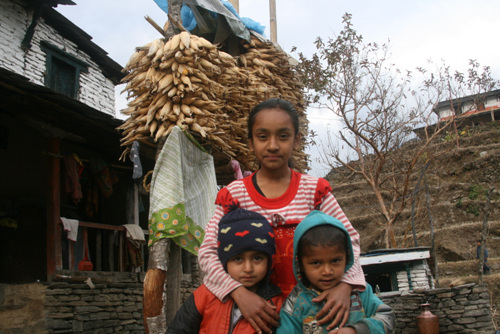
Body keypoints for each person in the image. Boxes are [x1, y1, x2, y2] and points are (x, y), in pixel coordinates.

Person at [198, 98, 366, 333]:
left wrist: (346, 285)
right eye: (263, 136)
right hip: (256, 318)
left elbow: (351, 240)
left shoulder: (314, 192)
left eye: (283, 136)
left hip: (309, 316)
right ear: (250, 141)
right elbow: (207, 252)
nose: (273, 145)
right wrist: (239, 294)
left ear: (296, 140)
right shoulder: (233, 196)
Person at [167, 206, 284, 333]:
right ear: (224, 261)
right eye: (238, 259)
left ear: (270, 260)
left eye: (257, 258)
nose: (248, 268)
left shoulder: (276, 304)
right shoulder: (205, 295)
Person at [278, 210, 396, 334]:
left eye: (335, 260)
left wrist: (357, 331)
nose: (327, 271)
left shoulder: (360, 292)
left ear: (347, 258)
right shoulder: (295, 303)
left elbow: (388, 318)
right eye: (316, 263)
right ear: (301, 264)